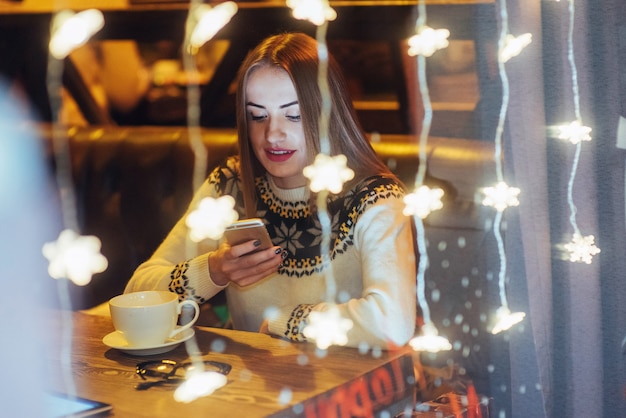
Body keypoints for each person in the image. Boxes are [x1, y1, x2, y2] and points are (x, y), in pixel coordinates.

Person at [125, 32, 417, 349]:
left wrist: (286, 323)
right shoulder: (231, 185)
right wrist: (215, 271)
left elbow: (392, 322)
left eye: (293, 114)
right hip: (249, 393)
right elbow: (137, 293)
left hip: (351, 392)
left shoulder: (377, 198)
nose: (272, 133)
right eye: (257, 115)